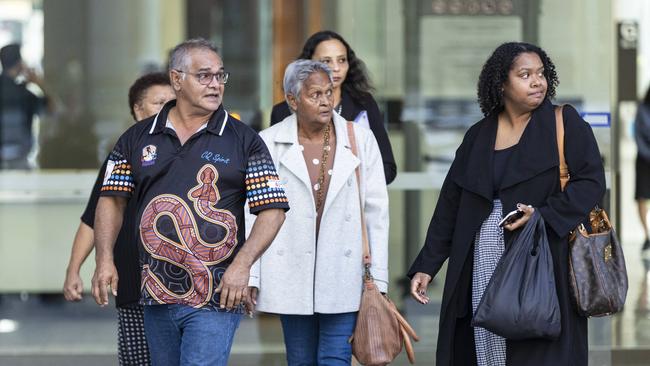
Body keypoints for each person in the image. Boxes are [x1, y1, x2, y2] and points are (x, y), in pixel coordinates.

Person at [90, 38, 288, 366]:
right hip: (154, 294)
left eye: (220, 76)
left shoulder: (243, 140)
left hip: (218, 296)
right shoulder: (137, 138)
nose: (215, 85)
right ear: (177, 79)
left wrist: (243, 265)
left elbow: (273, 209)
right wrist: (104, 260)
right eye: (204, 76)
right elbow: (111, 201)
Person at [408, 42, 606, 366]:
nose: (537, 81)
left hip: (542, 262)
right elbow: (451, 206)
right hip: (482, 264)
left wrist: (544, 215)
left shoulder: (564, 122)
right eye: (525, 75)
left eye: (541, 74)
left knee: (537, 351)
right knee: (486, 349)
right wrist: (427, 265)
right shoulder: (478, 135)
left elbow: (592, 182)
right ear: (502, 83)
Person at [246, 59, 389, 365]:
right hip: (290, 271)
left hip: (344, 272)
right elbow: (253, 213)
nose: (326, 101)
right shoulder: (267, 143)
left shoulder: (359, 139)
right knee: (300, 359)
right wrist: (252, 274)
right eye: (315, 95)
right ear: (292, 100)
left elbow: (377, 214)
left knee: (335, 357)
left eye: (329, 92)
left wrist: (380, 278)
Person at [63, 72, 174, 366]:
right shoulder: (124, 153)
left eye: (173, 102)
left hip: (181, 283)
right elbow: (95, 216)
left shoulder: (192, 152)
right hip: (133, 280)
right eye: (159, 102)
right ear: (138, 110)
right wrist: (74, 269)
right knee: (138, 360)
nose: (167, 109)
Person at [270, 30, 397, 184]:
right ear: (309, 64)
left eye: (342, 60)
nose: (336, 68)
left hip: (353, 204)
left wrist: (346, 187)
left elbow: (387, 167)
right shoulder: (283, 111)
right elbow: (274, 171)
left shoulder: (364, 104)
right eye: (326, 61)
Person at [0, 43, 54, 169]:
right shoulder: (24, 95)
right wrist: (40, 84)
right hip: (19, 162)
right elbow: (53, 110)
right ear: (19, 64)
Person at [634, 86, 650, 251]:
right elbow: (638, 136)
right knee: (642, 197)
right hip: (644, 160)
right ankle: (647, 235)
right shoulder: (642, 110)